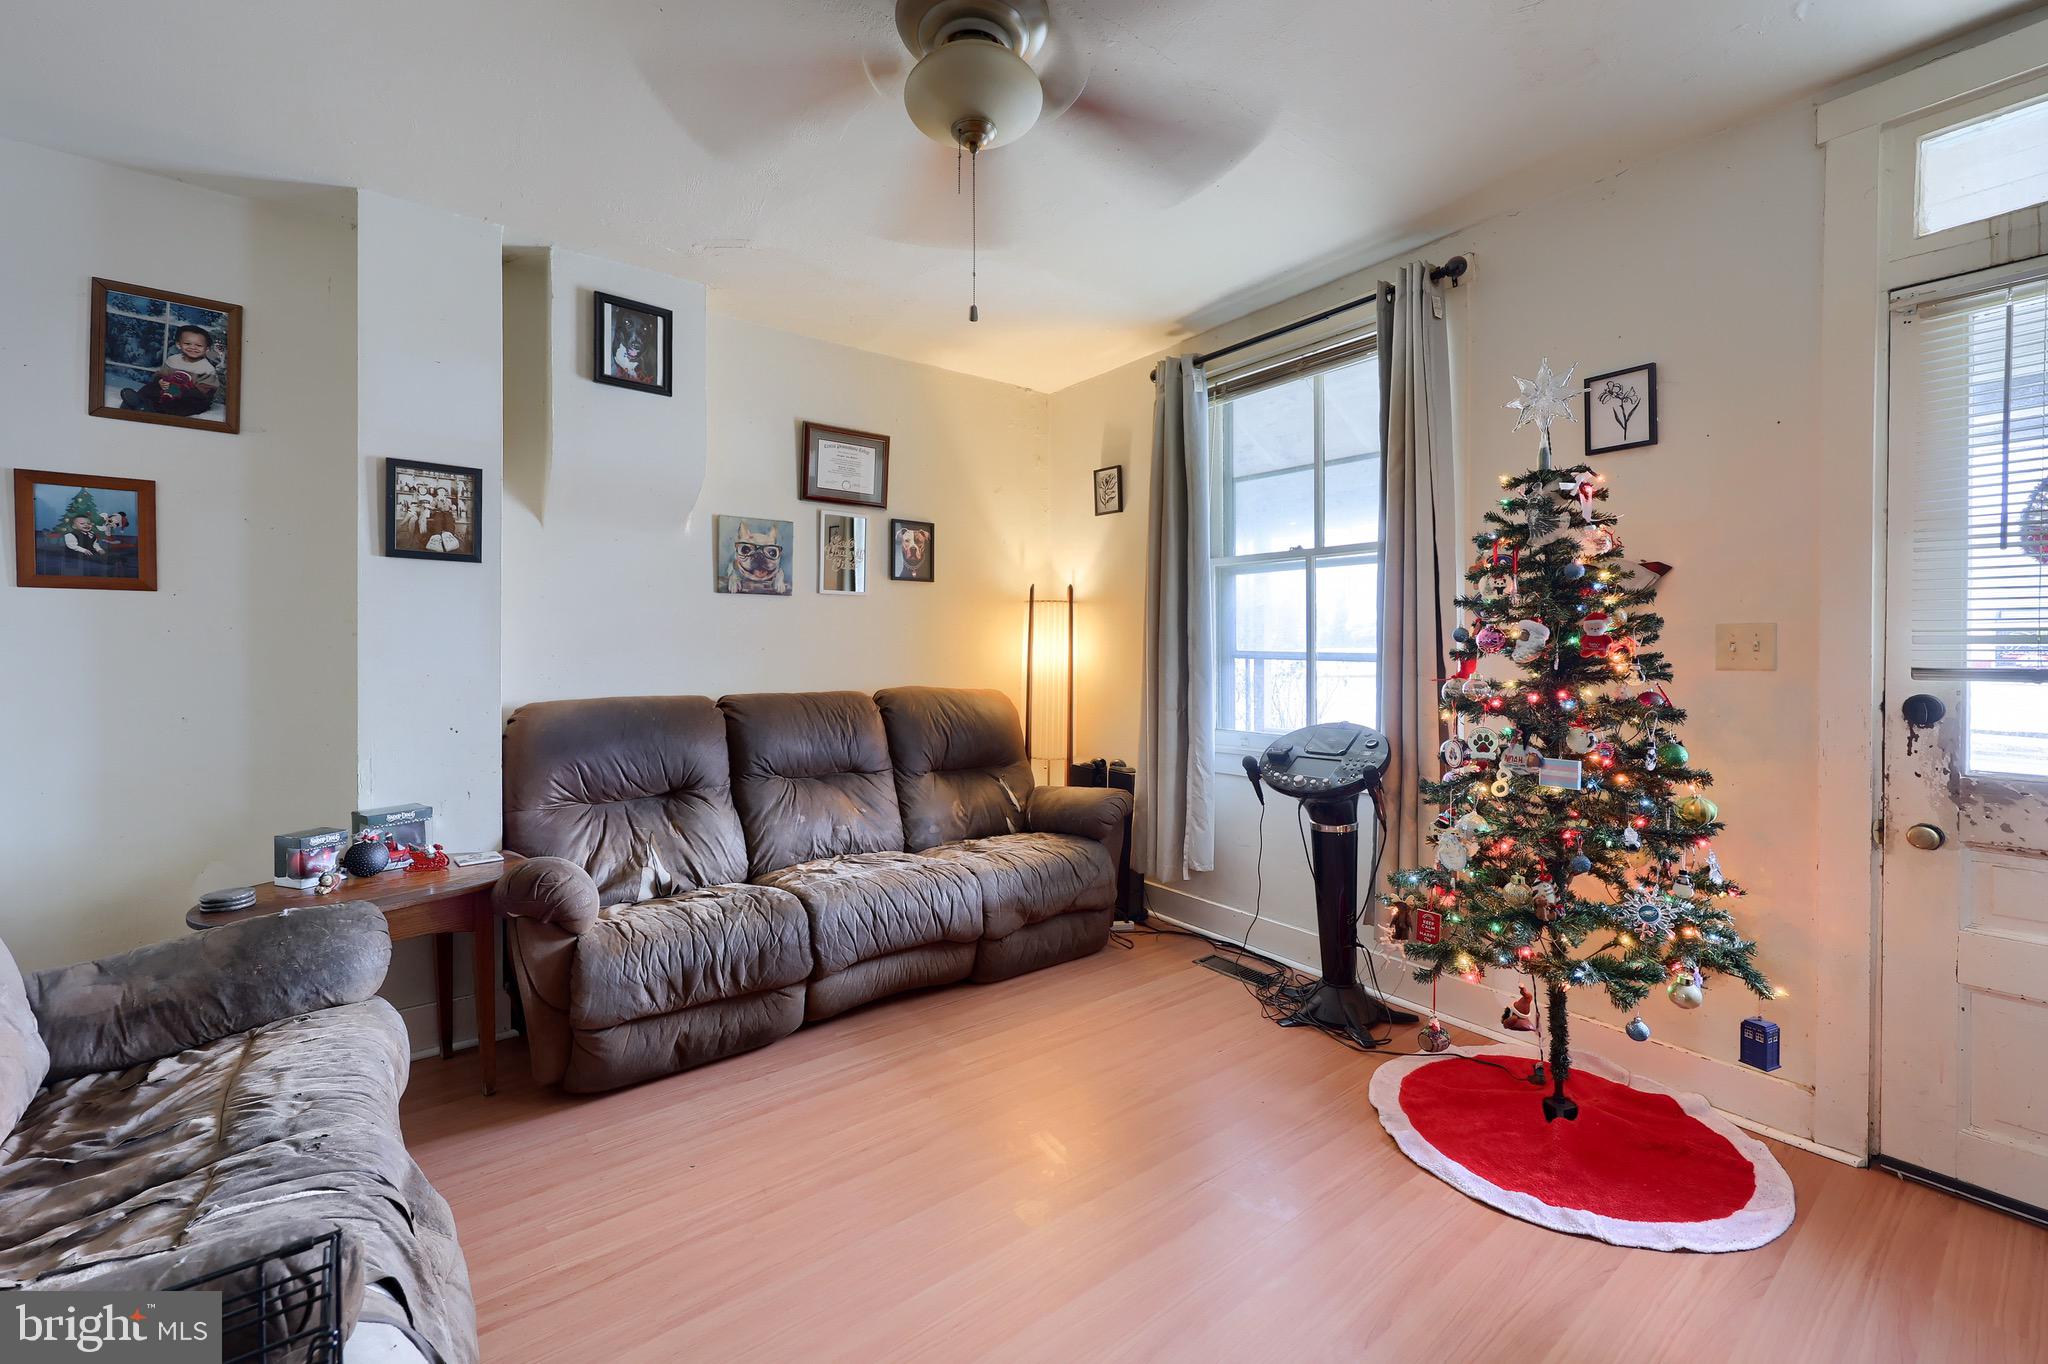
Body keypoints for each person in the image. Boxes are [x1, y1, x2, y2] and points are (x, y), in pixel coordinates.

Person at [121, 324, 219, 416]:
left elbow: (205, 392)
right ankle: (136, 401)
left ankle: (151, 409)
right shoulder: (173, 360)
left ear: (207, 349)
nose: (193, 347)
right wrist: (160, 381)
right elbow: (160, 375)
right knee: (150, 388)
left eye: (199, 345)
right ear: (178, 344)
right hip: (169, 389)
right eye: (187, 343)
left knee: (180, 404)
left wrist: (180, 390)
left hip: (191, 397)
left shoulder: (206, 368)